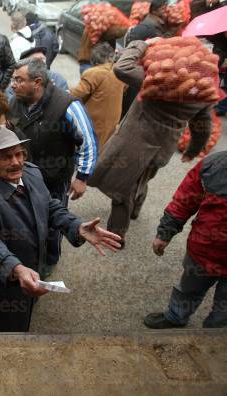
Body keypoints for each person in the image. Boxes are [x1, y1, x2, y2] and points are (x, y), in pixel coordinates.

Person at [0, 126, 121, 332]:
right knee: (3, 337)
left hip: (30, 272)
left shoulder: (31, 172)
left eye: (20, 154)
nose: (16, 162)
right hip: (2, 286)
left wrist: (75, 226)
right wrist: (16, 268)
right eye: (6, 157)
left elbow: (48, 205)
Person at [88, 39, 212, 247]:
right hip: (161, 150)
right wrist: (193, 151)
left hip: (135, 145)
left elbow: (122, 67)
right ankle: (136, 208)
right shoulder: (200, 92)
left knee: (123, 189)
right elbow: (203, 127)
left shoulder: (157, 80)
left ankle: (116, 235)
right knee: (142, 178)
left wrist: (140, 44)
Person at [9, 58, 98, 274]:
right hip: (24, 178)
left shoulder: (68, 106)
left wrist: (82, 178)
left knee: (52, 221)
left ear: (37, 82)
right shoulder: (14, 103)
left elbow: (89, 142)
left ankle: (50, 259)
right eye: (12, 79)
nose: (12, 84)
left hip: (53, 181)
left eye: (19, 80)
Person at [145, 150, 227, 329]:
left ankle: (213, 339)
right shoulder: (212, 165)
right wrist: (164, 233)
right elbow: (184, 201)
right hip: (203, 251)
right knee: (188, 290)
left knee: (223, 314)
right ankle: (175, 317)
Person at [70, 42, 127, 148]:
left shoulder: (93, 73)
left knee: (90, 148)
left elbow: (75, 94)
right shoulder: (119, 72)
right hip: (112, 121)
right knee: (104, 148)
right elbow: (124, 88)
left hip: (94, 121)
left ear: (94, 59)